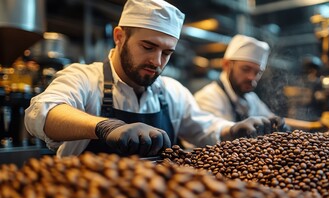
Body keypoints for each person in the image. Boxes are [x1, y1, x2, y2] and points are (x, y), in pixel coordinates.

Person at [24, 0, 275, 158]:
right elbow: (40, 113)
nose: (157, 61)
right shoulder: (84, 78)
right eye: (147, 46)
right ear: (119, 36)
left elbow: (204, 128)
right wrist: (105, 127)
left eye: (167, 53)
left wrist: (231, 130)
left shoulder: (171, 92)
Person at [194, 34, 329, 131]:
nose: (251, 77)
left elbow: (274, 121)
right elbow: (215, 137)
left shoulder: (250, 98)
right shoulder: (208, 98)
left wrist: (314, 126)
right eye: (245, 69)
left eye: (257, 72)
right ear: (226, 65)